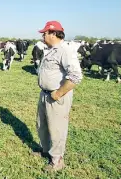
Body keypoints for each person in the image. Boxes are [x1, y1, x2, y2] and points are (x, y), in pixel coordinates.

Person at [34, 21, 82, 172]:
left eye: (45, 33)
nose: (43, 36)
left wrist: (59, 93)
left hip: (57, 96)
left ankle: (57, 161)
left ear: (53, 34)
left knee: (57, 128)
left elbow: (76, 76)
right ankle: (45, 150)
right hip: (45, 94)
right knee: (42, 125)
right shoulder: (50, 50)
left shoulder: (65, 51)